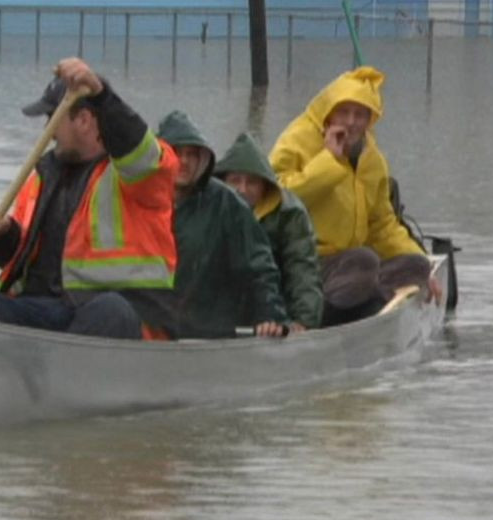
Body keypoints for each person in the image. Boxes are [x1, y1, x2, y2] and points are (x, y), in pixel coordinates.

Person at [0, 58, 179, 340]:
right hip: (39, 307)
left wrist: (100, 94)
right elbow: (15, 257)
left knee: (112, 311)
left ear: (83, 120)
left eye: (52, 120)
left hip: (104, 308)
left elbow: (138, 148)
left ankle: (58, 371)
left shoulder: (138, 174)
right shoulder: (40, 177)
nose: (48, 131)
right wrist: (2, 236)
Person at [268, 66, 440, 326]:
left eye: (360, 115)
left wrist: (424, 267)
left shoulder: (373, 160)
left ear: (370, 119)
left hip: (347, 267)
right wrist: (329, 161)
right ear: (328, 112)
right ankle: (312, 317)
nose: (351, 122)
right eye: (344, 112)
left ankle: (362, 305)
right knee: (363, 261)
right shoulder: (297, 141)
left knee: (414, 265)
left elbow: (382, 226)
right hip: (302, 262)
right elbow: (276, 199)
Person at [156, 110, 289, 339]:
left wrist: (271, 316)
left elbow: (259, 267)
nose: (184, 161)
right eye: (176, 152)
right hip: (154, 331)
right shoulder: (140, 201)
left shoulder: (227, 204)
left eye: (192, 154)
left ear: (203, 159)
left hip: (213, 332)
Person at [214, 132, 323, 332]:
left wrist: (303, 321)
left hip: (276, 307)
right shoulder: (209, 210)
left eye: (252, 182)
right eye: (235, 181)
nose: (243, 189)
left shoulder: (289, 214)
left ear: (265, 185)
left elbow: (301, 269)